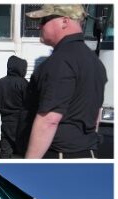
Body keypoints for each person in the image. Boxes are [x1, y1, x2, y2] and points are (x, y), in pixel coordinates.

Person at [24, 4, 107, 158]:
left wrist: (29, 162)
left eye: (44, 19)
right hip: (87, 153)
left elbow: (49, 120)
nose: (40, 25)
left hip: (59, 154)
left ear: (65, 21)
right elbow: (96, 116)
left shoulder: (60, 61)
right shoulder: (95, 62)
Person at [0, 56, 29, 158]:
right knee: (25, 152)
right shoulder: (23, 83)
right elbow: (30, 103)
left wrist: (3, 110)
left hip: (5, 121)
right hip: (21, 123)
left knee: (5, 151)